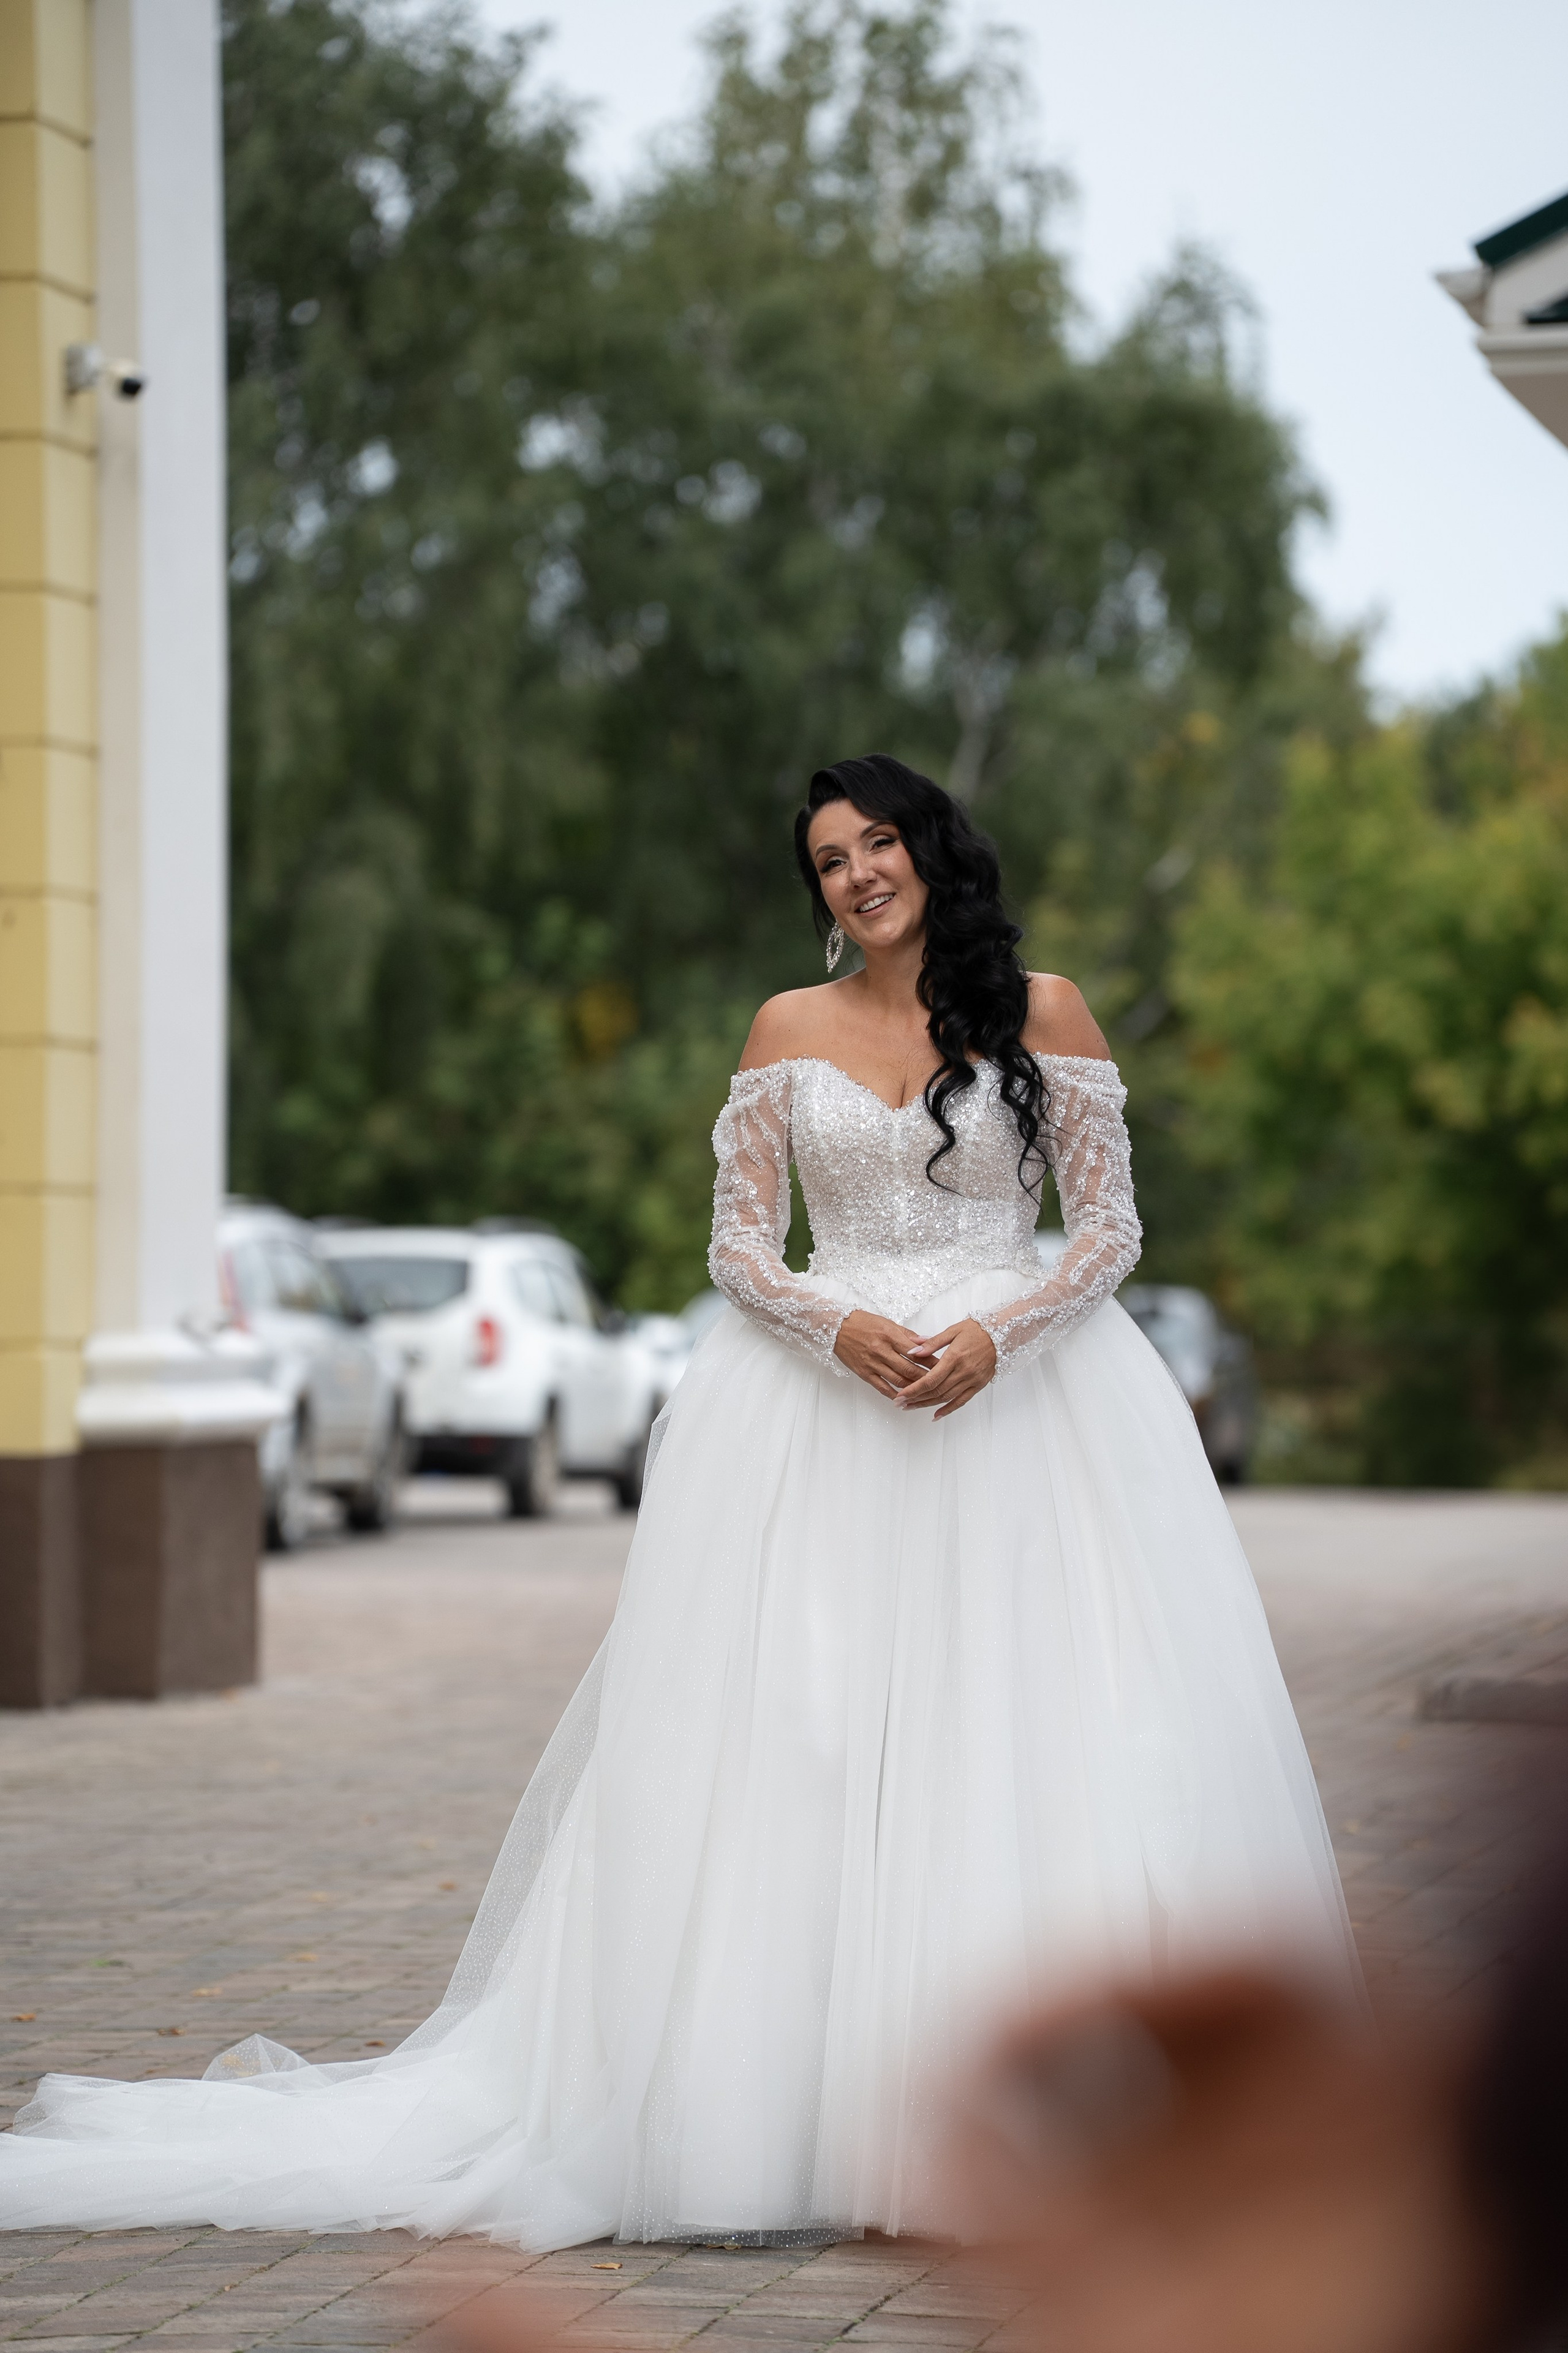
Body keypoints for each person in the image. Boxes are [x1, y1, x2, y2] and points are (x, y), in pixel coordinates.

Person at [0, 756, 1358, 2249]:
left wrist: (1001, 1333)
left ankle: (1038, 2119)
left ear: (931, 851)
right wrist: (830, 1326)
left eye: (878, 842)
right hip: (823, 1412)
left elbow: (1107, 1227)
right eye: (829, 860)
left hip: (1024, 1410)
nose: (856, 873)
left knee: (1023, 1734)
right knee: (807, 1746)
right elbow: (736, 1246)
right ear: (821, 897)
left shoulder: (1047, 1009)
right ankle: (788, 2117)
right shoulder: (784, 1028)